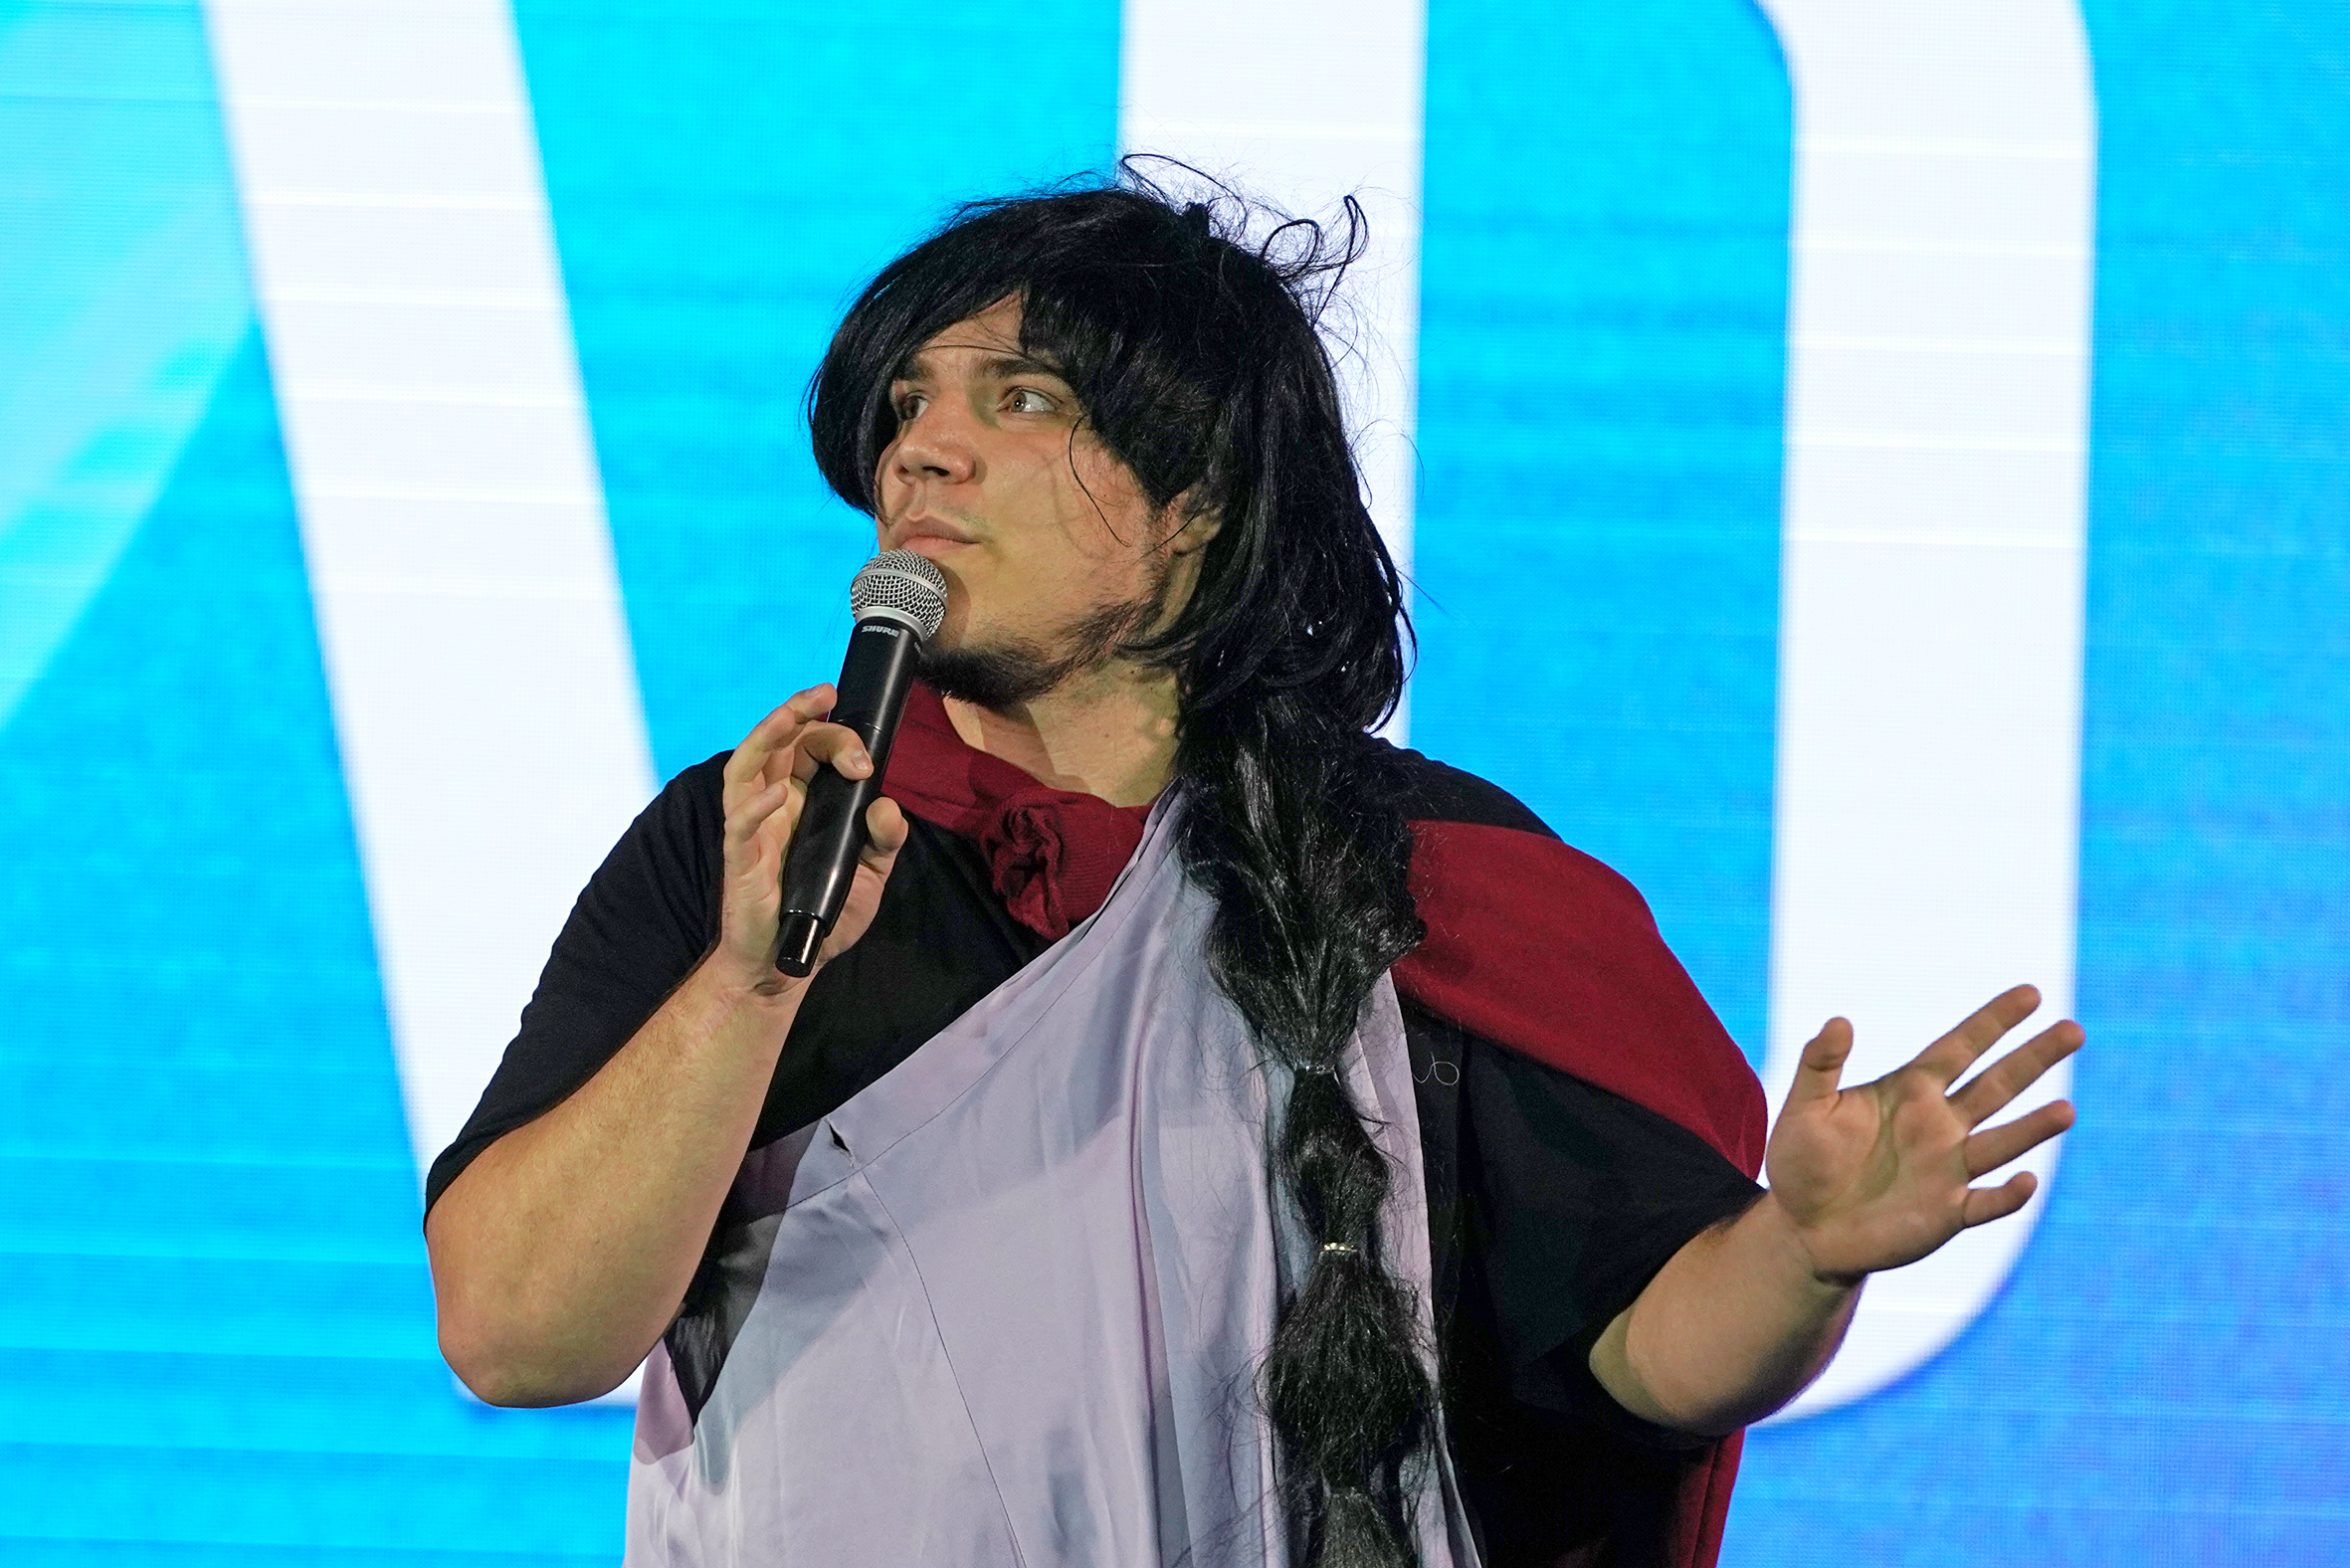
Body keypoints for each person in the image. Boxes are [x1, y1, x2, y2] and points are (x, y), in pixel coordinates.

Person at [422, 179, 2080, 1568]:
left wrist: (1804, 1252)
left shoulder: (1437, 887)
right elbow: (517, 1335)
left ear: (1197, 504)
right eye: (906, 406)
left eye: (1021, 400)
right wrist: (748, 978)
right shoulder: (751, 843)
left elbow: (1646, 1358)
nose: (921, 452)